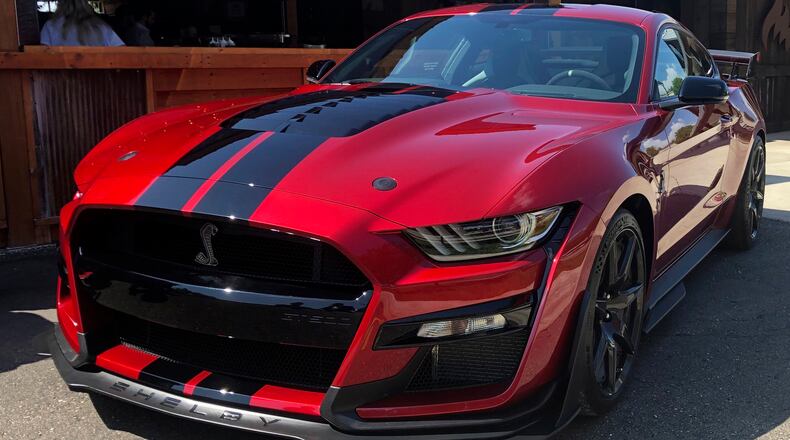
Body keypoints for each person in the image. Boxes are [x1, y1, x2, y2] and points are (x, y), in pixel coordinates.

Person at [40, 0, 124, 46]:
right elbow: (122, 51)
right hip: (99, 77)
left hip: (60, 77)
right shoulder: (101, 27)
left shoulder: (50, 27)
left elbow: (42, 59)